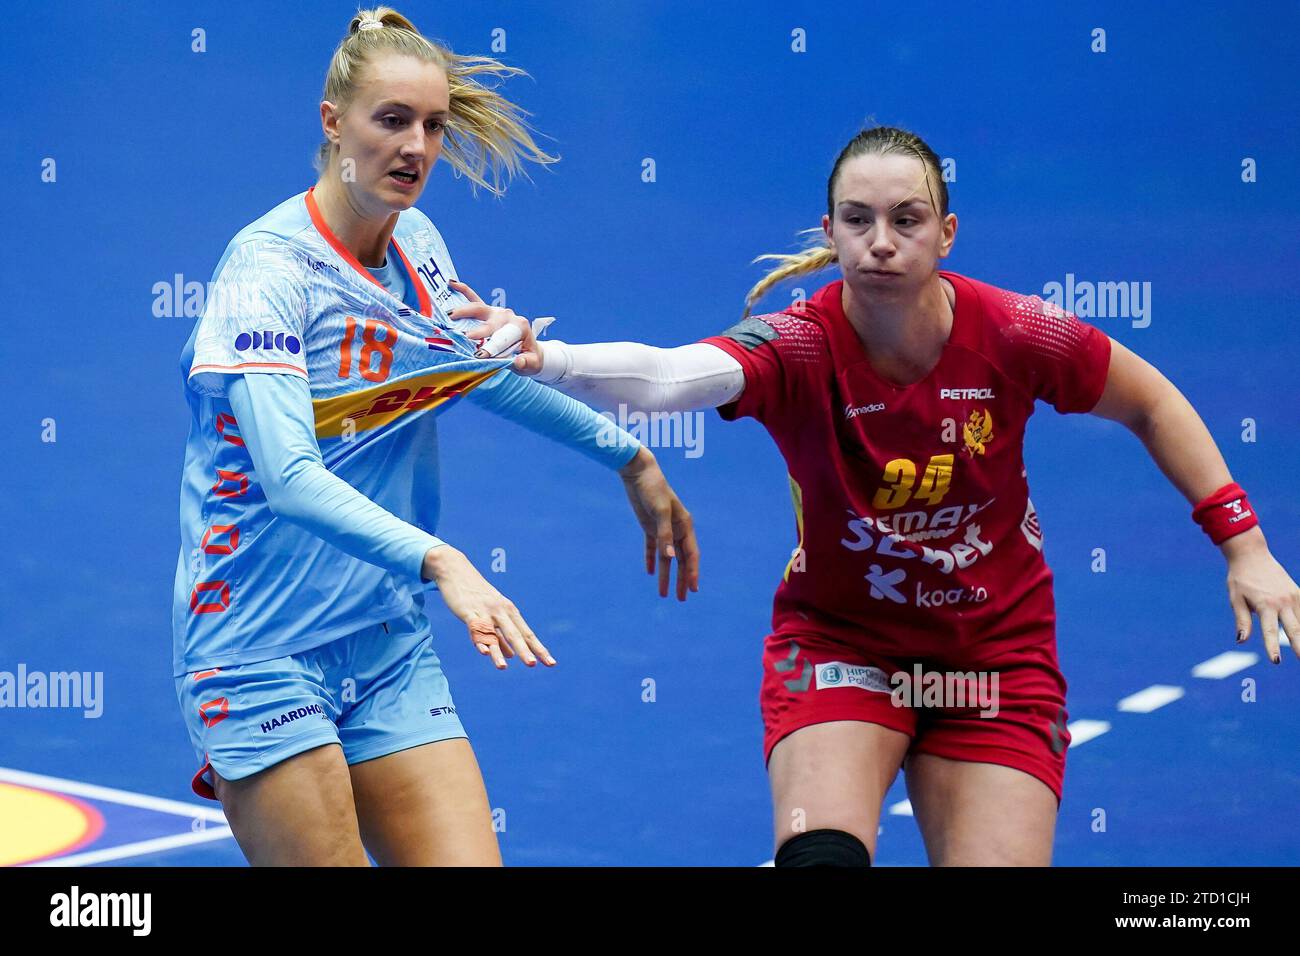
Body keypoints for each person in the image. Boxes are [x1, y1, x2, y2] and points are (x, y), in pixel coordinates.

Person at [481, 125, 1300, 866]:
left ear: (946, 234)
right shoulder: (799, 345)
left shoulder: (1016, 333)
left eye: (906, 219)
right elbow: (669, 376)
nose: (880, 243)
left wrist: (1245, 544)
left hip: (994, 659)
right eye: (857, 220)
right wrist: (548, 357)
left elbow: (1151, 400)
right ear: (829, 232)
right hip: (843, 648)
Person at [172, 7, 697, 867]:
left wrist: (628, 455)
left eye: (433, 125)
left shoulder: (417, 242)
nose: (417, 147)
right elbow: (290, 477)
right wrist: (446, 560)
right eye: (392, 121)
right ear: (332, 121)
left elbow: (473, 374)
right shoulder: (261, 276)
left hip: (384, 635)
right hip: (256, 644)